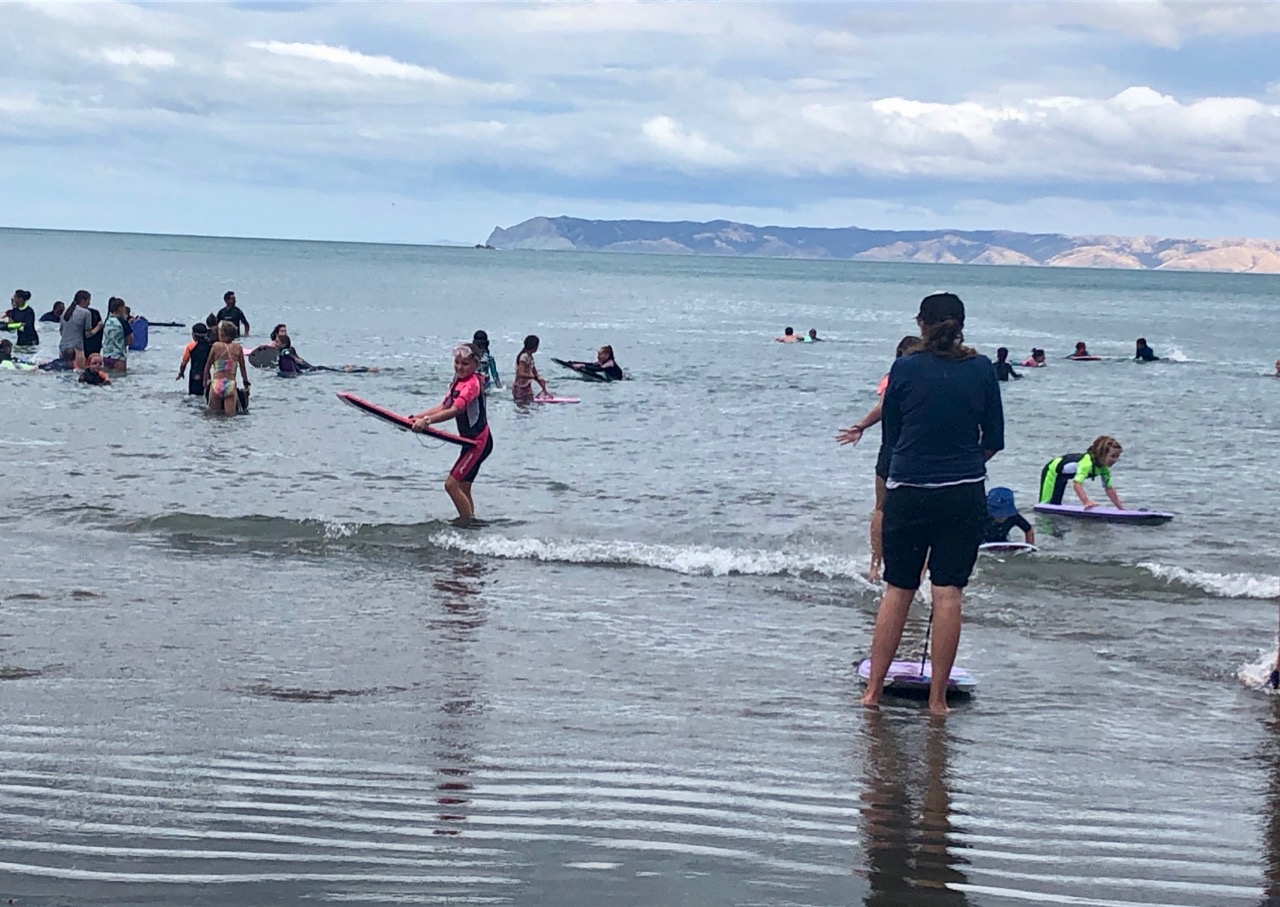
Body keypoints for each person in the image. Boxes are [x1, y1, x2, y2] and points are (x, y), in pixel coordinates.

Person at [860, 292, 1004, 716]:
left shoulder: (904, 368)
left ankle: (872, 693)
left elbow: (892, 435)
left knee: (898, 589)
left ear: (922, 325)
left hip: (909, 490)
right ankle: (938, 701)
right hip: (963, 492)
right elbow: (994, 439)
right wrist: (964, 465)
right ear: (961, 325)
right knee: (948, 593)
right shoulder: (982, 368)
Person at [836, 335, 918, 583]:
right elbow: (883, 407)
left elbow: (882, 407)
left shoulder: (891, 378)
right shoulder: (926, 378)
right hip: (913, 451)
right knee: (916, 512)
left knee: (882, 507)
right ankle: (917, 572)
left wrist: (860, 426)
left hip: (891, 449)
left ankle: (875, 567)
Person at [411, 343, 494, 523]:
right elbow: (443, 407)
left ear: (475, 364)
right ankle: (471, 526)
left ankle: (467, 524)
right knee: (463, 487)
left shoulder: (471, 385)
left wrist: (426, 422)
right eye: (457, 362)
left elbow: (455, 410)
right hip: (470, 441)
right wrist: (415, 417)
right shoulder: (458, 380)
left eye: (465, 364)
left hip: (478, 442)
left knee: (451, 485)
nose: (459, 367)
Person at [1039, 435, 1124, 509]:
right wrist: (1086, 502)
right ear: (1102, 453)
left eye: (1117, 456)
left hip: (1064, 476)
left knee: (1055, 504)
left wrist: (1121, 509)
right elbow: (1077, 484)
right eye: (1112, 456)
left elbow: (1109, 489)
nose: (1115, 460)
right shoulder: (1087, 463)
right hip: (1052, 470)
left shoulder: (1104, 468)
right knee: (1046, 504)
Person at [202, 320, 250, 415]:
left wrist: (205, 381)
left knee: (214, 415)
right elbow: (243, 369)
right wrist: (246, 384)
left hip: (217, 383)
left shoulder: (216, 346)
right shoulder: (238, 348)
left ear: (222, 333)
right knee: (230, 416)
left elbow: (207, 365)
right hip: (230, 384)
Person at [59, 290, 98, 369]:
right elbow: (88, 334)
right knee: (78, 372)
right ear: (83, 300)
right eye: (88, 301)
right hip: (77, 348)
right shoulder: (86, 313)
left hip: (62, 347)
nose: (89, 304)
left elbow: (61, 331)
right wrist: (98, 327)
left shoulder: (65, 312)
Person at [176, 323, 213, 397]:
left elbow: (184, 363)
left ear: (193, 335)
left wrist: (181, 373)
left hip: (194, 375)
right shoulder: (210, 346)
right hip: (206, 376)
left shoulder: (190, 347)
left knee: (194, 397)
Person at [512, 335, 549, 403]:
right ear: (534, 346)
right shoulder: (523, 357)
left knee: (529, 406)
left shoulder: (530, 358)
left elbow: (535, 374)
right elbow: (520, 373)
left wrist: (544, 389)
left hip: (527, 387)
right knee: (522, 406)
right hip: (519, 388)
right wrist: (533, 377)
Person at [100, 297, 131, 374]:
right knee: (120, 378)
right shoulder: (122, 322)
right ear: (120, 308)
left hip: (106, 356)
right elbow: (130, 340)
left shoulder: (107, 321)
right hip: (119, 357)